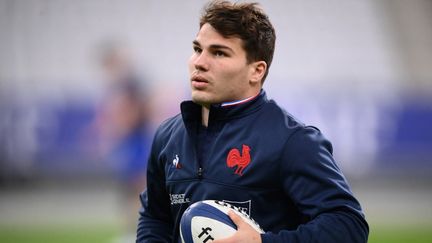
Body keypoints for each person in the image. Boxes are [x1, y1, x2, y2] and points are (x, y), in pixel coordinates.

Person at [136, 1, 369, 243]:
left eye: (219, 53)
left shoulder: (292, 140)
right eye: (197, 49)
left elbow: (348, 225)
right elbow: (155, 217)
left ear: (256, 71)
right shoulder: (167, 136)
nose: (199, 62)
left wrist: (264, 242)